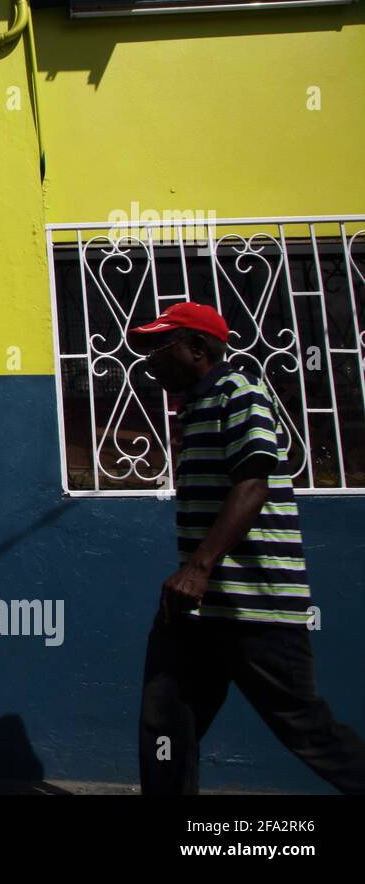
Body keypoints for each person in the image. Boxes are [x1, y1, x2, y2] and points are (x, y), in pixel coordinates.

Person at [129, 301, 365, 794]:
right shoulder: (195, 407)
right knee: (166, 722)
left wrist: (198, 567)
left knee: (305, 728)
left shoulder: (242, 393)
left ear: (198, 348)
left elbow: (253, 483)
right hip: (197, 609)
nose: (150, 360)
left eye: (160, 346)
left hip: (255, 603)